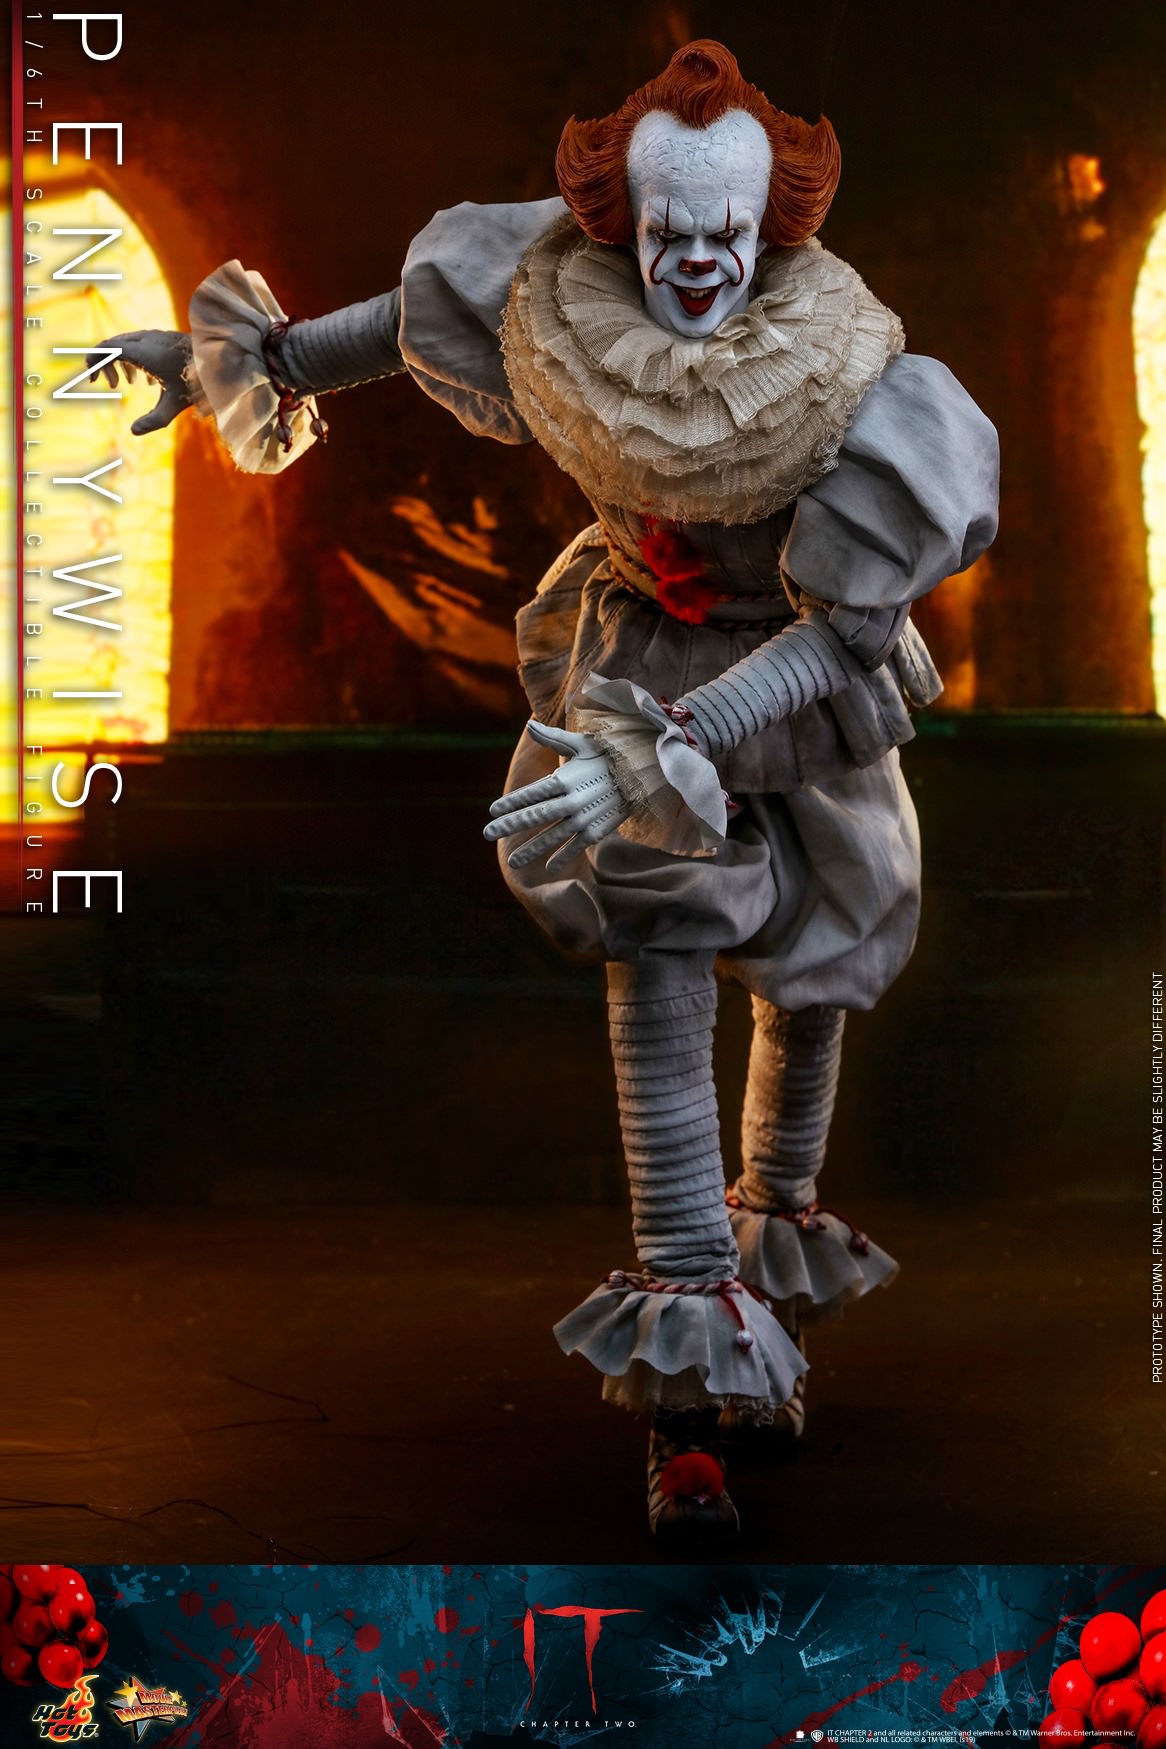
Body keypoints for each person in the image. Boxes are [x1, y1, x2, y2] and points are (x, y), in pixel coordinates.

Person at [95, 39, 999, 1542]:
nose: (695, 257)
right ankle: (684, 1419)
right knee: (657, 973)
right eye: (668, 227)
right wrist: (240, 364)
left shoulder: (847, 366)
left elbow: (847, 627)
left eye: (725, 229)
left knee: (816, 974)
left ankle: (767, 1309)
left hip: (791, 682)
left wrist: (687, 739)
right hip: (633, 657)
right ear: (624, 221)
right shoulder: (560, 300)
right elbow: (417, 323)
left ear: (769, 226)